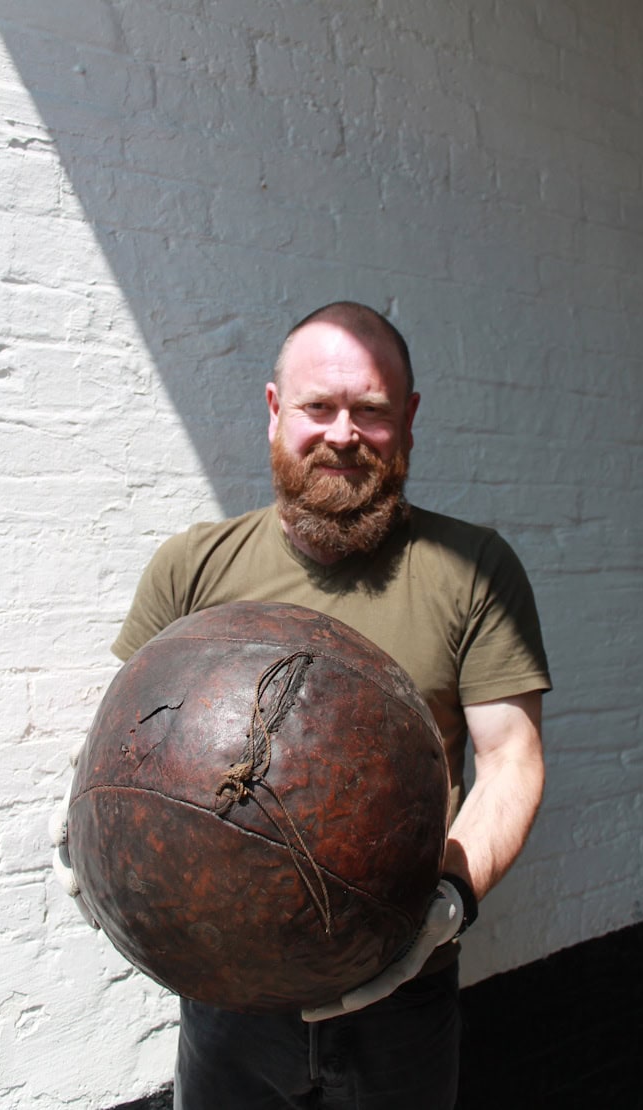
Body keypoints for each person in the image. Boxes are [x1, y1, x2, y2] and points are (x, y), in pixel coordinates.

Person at [54, 302, 551, 1108]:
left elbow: (510, 760)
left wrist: (450, 899)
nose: (344, 433)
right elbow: (119, 733)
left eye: (372, 410)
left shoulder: (474, 570)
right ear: (276, 410)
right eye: (319, 407)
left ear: (410, 419)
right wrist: (88, 812)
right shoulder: (193, 567)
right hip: (225, 997)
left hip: (401, 986)